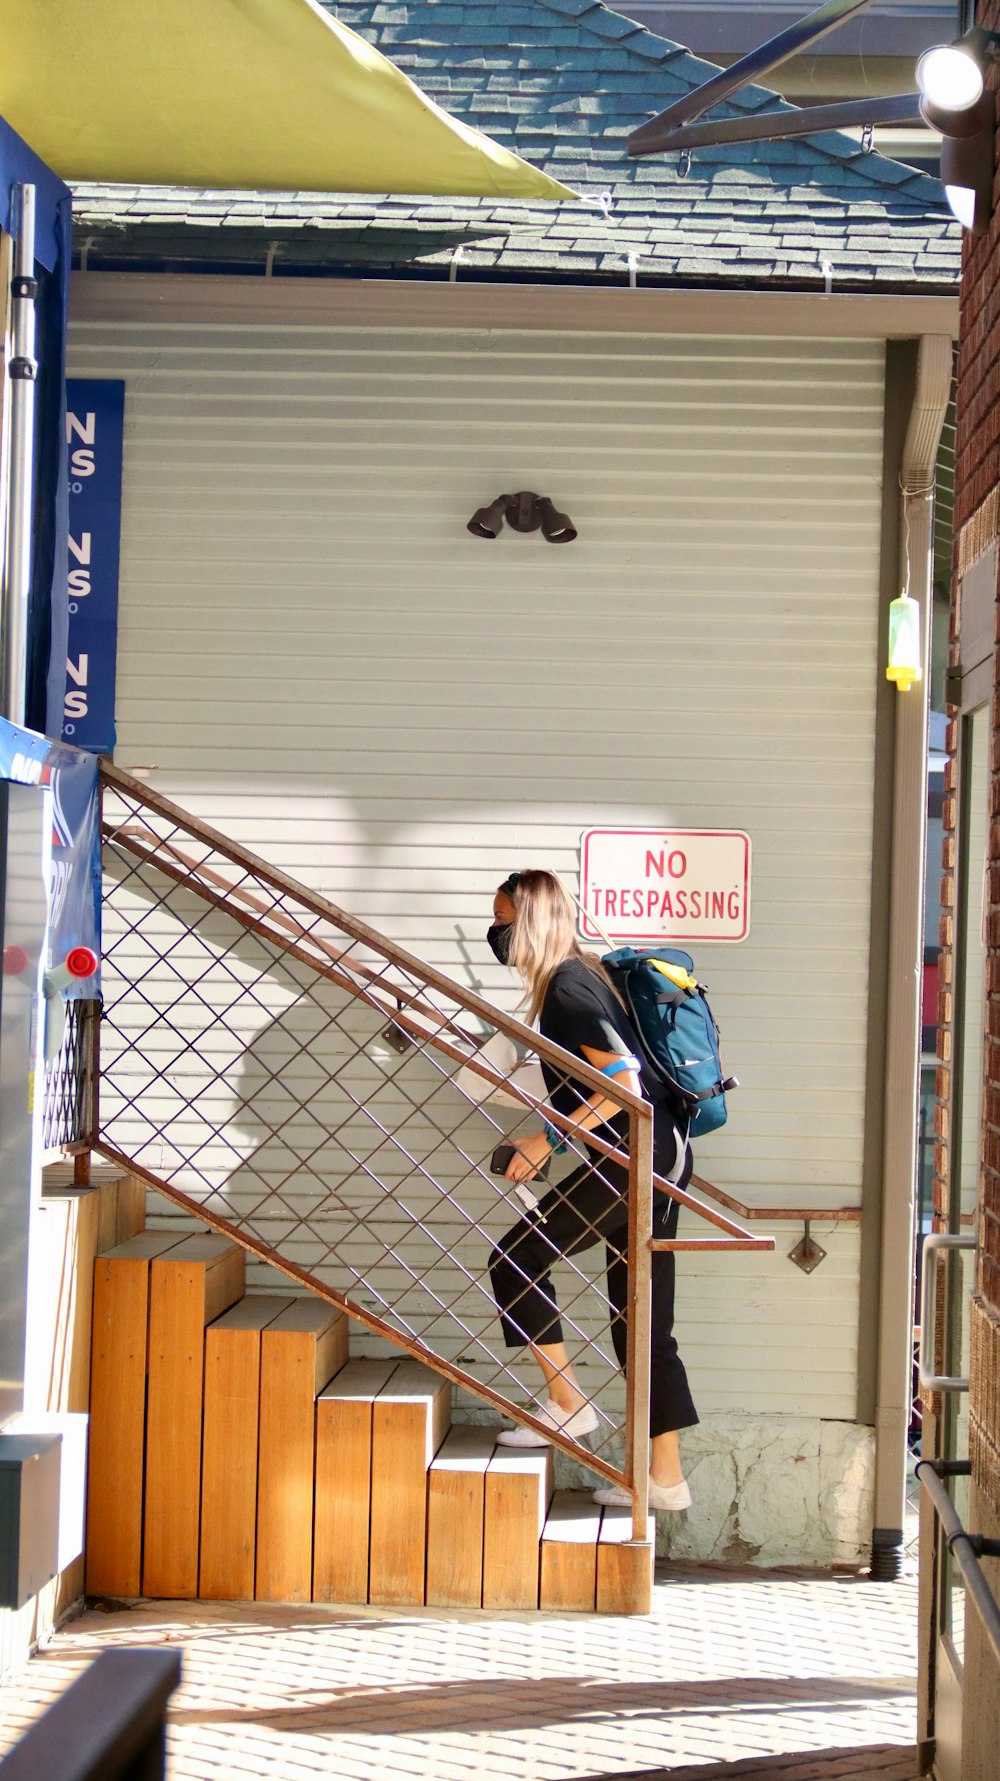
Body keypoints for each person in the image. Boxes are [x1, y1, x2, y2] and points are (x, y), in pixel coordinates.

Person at [485, 868, 698, 1512]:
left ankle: (566, 1404)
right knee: (641, 1323)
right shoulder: (584, 976)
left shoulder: (568, 987)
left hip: (634, 1161)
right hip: (658, 1158)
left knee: (514, 1259)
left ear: (530, 922)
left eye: (502, 922)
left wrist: (543, 1141)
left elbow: (623, 1083)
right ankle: (665, 1478)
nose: (495, 934)